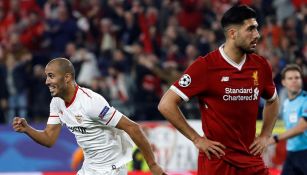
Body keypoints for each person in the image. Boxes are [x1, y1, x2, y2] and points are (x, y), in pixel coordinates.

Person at [158, 5, 280, 175]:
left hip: (251, 160)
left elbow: (273, 100)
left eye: (257, 28)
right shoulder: (205, 66)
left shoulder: (260, 65)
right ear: (232, 33)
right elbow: (166, 104)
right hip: (217, 162)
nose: (257, 35)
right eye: (250, 29)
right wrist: (196, 139)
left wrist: (265, 135)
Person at [12, 58, 165, 175]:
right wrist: (27, 129)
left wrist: (152, 165)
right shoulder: (56, 103)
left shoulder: (91, 103)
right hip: (89, 168)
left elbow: (133, 127)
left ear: (66, 78)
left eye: (51, 76)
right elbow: (49, 139)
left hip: (111, 169)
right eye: (46, 77)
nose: (47, 81)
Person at [268, 64, 307, 175]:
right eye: (290, 78)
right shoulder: (285, 104)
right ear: (284, 82)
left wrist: (275, 139)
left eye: (297, 78)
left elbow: (301, 128)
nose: (294, 81)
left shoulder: (305, 101)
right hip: (291, 153)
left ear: (301, 80)